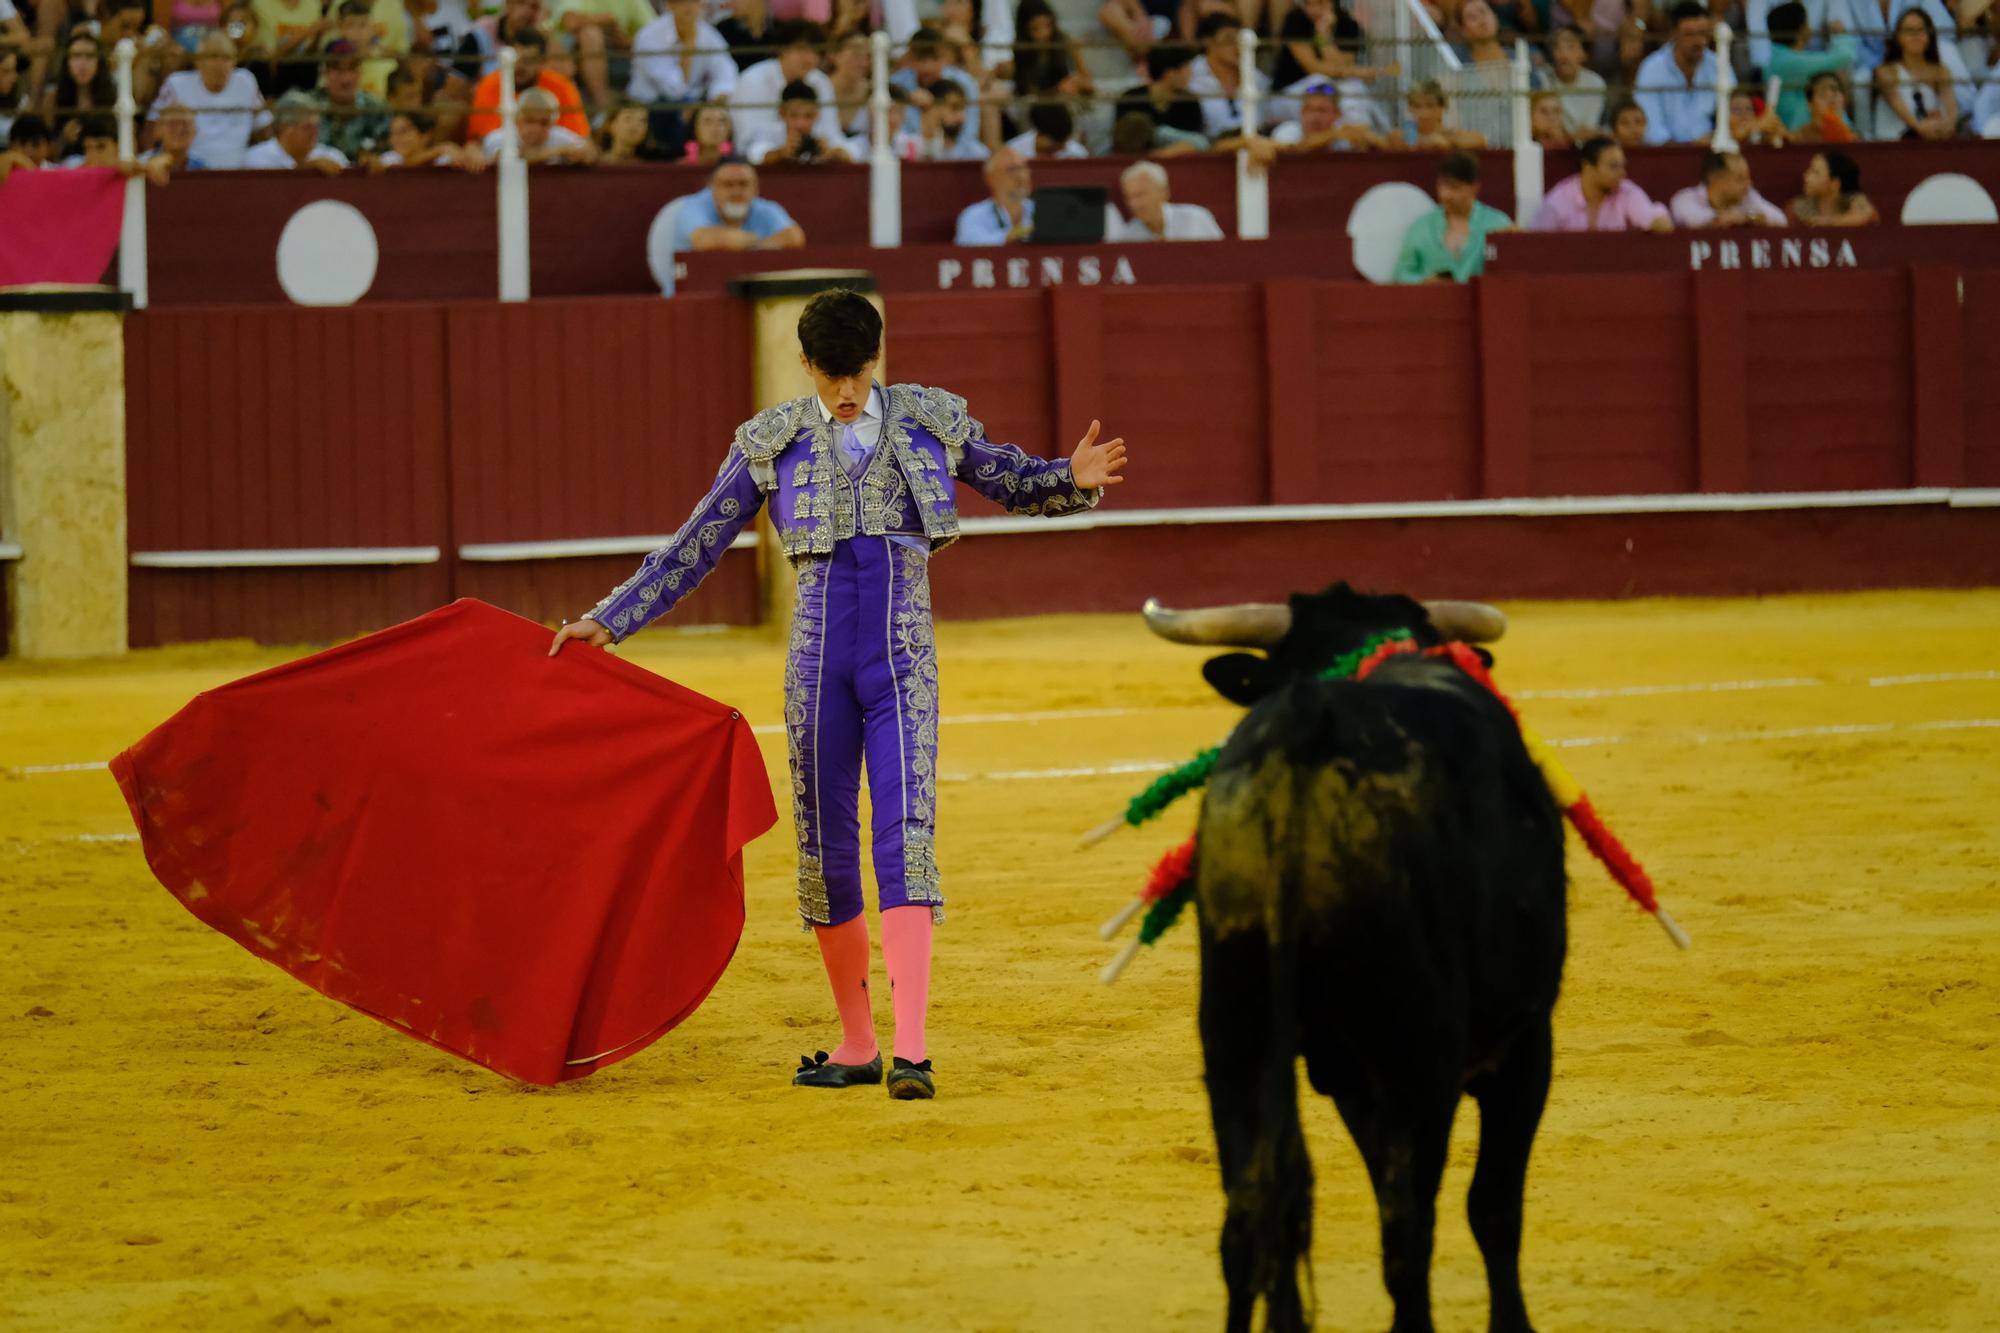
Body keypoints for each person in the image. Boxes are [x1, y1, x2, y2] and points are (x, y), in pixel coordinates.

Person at [549, 289, 1128, 1102]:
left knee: (906, 839)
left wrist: (1070, 477)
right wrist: (611, 618)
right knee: (824, 853)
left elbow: (1011, 475)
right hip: (818, 674)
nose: (845, 392)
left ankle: (914, 1050)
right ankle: (858, 1042)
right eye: (831, 377)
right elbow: (696, 541)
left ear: (875, 360)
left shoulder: (928, 419)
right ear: (808, 367)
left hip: (902, 668)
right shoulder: (771, 440)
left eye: (856, 374)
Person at [148, 30, 271, 168]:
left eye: (226, 57)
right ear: (198, 60)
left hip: (237, 173)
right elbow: (152, 131)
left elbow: (264, 130)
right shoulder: (177, 84)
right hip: (191, 172)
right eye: (213, 56)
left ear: (235, 61)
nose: (219, 64)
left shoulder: (246, 81)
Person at [1392, 149, 1511, 283]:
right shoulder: (1421, 228)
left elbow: (1511, 273)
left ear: (1474, 187)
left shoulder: (1498, 224)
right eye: (1441, 186)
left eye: (1455, 187)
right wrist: (1424, 281)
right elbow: (1401, 273)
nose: (1445, 194)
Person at [733, 21, 841, 149]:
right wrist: (782, 149)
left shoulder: (820, 82)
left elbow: (831, 134)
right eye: (802, 50)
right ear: (783, 50)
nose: (810, 59)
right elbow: (748, 140)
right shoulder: (753, 80)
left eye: (815, 52)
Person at [1531, 134, 1672, 231]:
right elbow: (1536, 243)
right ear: (1588, 168)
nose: (1622, 173)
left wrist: (1657, 222)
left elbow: (1658, 222)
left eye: (1622, 166)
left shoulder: (1627, 191)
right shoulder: (1558, 200)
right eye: (1613, 166)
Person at [467, 29, 587, 140]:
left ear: (542, 62)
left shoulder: (561, 87)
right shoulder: (489, 85)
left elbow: (578, 140)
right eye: (516, 59)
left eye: (528, 61)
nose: (520, 66)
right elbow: (483, 141)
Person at [667, 156, 807, 250]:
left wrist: (748, 244)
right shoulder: (693, 206)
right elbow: (704, 240)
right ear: (712, 187)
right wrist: (760, 244)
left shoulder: (766, 208)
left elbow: (794, 237)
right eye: (728, 185)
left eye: (743, 184)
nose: (736, 192)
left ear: (756, 188)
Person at [627, 0, 738, 117]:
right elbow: (674, 90)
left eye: (694, 2)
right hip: (649, 107)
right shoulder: (649, 36)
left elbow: (726, 74)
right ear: (670, 5)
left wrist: (716, 99)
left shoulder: (708, 35)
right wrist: (689, 46)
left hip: (693, 106)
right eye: (682, 2)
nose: (689, 7)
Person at [1633, 0, 1717, 143]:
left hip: (1712, 151)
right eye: (1690, 34)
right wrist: (1685, 152)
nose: (1699, 42)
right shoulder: (1652, 68)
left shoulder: (1719, 65)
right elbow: (1651, 127)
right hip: (1665, 155)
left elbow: (1731, 113)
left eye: (1703, 34)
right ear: (1674, 34)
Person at [1763, 1, 1856, 130]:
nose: (1810, 29)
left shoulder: (1780, 58)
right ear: (1800, 30)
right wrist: (1841, 35)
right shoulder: (1787, 63)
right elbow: (1843, 57)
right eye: (1807, 23)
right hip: (1796, 136)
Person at [550, 0, 654, 111]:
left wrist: (624, 41)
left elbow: (657, 34)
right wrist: (605, 19)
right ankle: (602, 105)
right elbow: (570, 22)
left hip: (620, 51)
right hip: (572, 52)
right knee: (590, 33)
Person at [1872, 6, 1958, 139]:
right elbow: (1896, 102)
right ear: (1899, 37)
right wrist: (1919, 127)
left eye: (1920, 30)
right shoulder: (1885, 71)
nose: (1915, 36)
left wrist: (1948, 125)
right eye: (1909, 31)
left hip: (1932, 140)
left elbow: (1950, 106)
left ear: (1929, 36)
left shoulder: (1940, 71)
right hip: (1895, 143)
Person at [1112, 43, 1208, 147]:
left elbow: (1196, 141)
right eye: (1187, 68)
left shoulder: (1188, 101)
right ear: (1170, 73)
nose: (1190, 73)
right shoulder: (1131, 99)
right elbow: (1124, 140)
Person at [1189, 12, 1267, 139]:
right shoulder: (1191, 75)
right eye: (1229, 40)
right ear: (1207, 42)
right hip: (1208, 148)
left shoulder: (1256, 77)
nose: (1237, 47)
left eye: (1239, 41)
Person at [1669, 149, 1786, 226]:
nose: (1748, 184)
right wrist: (1723, 219)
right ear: (1715, 178)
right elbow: (1693, 219)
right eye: (1740, 179)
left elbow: (1781, 219)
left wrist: (1748, 218)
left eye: (1748, 178)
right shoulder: (1684, 199)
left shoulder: (1748, 196)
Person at [1111, 158, 1224, 239]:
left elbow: (1221, 259)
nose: (1133, 204)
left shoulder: (1197, 219)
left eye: (1140, 195)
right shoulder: (1128, 237)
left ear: (1163, 192)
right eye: (1128, 197)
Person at [747, 78, 854, 162]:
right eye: (794, 115)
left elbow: (852, 152)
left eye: (808, 116)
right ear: (782, 114)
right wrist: (781, 153)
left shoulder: (824, 134)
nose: (801, 124)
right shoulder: (768, 132)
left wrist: (833, 153)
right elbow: (755, 155)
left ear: (817, 115)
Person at [317, 40, 393, 159]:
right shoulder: (307, 109)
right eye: (338, 71)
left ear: (360, 72)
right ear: (324, 73)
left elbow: (390, 155)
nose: (346, 79)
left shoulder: (378, 110)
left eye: (352, 69)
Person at [479, 84, 596, 161]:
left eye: (544, 123)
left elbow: (590, 151)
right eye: (530, 121)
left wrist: (583, 155)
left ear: (552, 124)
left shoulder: (558, 136)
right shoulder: (499, 138)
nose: (536, 128)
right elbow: (510, 159)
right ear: (517, 120)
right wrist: (560, 151)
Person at [45, 30, 114, 154]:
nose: (83, 64)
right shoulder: (52, 98)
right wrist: (63, 140)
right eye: (76, 56)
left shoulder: (114, 98)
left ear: (99, 62)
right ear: (67, 62)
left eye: (90, 56)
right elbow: (44, 154)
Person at [243, 90, 350, 169]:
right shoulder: (255, 160)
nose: (314, 132)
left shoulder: (333, 157)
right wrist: (303, 169)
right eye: (307, 127)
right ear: (285, 128)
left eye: (317, 126)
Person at [953, 144, 1033, 244]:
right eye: (1012, 169)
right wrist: (1012, 235)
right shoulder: (973, 216)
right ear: (991, 179)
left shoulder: (1042, 210)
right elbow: (969, 247)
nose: (1021, 176)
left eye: (1024, 168)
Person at [1536, 26, 1606, 133]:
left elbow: (1589, 128)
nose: (1563, 55)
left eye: (1570, 47)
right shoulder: (1541, 80)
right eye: (1558, 48)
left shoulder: (1596, 83)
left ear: (1584, 54)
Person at [1787, 148, 1879, 223]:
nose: (1806, 176)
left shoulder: (1857, 202)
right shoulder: (1797, 209)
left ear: (1835, 184)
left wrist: (1828, 222)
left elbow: (1866, 214)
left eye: (1815, 172)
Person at [372, 106, 485, 167]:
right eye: (392, 133)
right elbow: (406, 164)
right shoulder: (389, 158)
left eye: (403, 132)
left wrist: (472, 149)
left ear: (425, 135)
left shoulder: (443, 159)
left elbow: (465, 161)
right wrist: (438, 150)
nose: (395, 139)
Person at [1402, 79, 1486, 148]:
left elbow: (1480, 140)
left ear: (1442, 107)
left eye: (1431, 106)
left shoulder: (1452, 135)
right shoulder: (1400, 137)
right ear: (1410, 108)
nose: (1424, 112)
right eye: (1417, 106)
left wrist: (1448, 143)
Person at [1791, 70, 1861, 139]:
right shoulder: (1797, 139)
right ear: (1810, 105)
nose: (1830, 99)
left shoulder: (1855, 139)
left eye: (1835, 92)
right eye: (1822, 94)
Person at [597, 96, 671, 160]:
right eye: (628, 118)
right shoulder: (595, 161)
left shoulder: (656, 163)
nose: (635, 125)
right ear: (610, 125)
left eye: (642, 121)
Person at [1006, 101, 1088, 157]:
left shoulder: (1077, 153)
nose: (1062, 149)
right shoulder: (1013, 152)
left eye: (1062, 144)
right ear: (1039, 134)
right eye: (1054, 146)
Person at [681, 100, 734, 164]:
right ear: (695, 128)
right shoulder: (680, 166)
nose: (715, 127)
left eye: (722, 121)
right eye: (707, 121)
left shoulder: (738, 167)